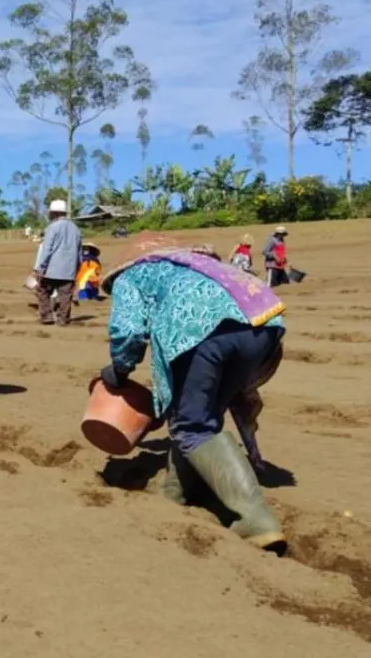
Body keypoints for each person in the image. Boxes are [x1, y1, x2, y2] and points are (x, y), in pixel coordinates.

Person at [99, 234, 287, 553]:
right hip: (264, 323)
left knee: (193, 427)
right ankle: (175, 494)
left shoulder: (130, 275)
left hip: (203, 328)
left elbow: (128, 331)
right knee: (197, 417)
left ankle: (255, 520)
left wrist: (118, 369)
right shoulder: (194, 263)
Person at [34, 200, 82, 325]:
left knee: (42, 290)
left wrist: (41, 266)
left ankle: (46, 316)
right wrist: (77, 267)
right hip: (69, 269)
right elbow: (79, 251)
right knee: (65, 295)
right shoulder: (76, 229)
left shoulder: (52, 227)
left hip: (52, 269)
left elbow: (47, 249)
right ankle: (63, 319)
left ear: (54, 213)